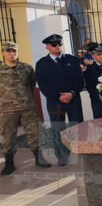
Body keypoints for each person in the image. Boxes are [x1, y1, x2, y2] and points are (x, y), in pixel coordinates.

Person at [0, 42, 51, 176]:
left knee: (35, 132)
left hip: (28, 108)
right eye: (9, 51)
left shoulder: (27, 68)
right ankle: (9, 164)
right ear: (3, 52)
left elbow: (31, 85)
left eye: (14, 51)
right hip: (7, 110)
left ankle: (39, 158)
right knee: (8, 136)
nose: (12, 54)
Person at [36, 34, 84, 166]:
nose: (58, 47)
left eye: (59, 44)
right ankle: (62, 156)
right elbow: (42, 85)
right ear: (47, 47)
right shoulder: (41, 64)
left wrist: (72, 93)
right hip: (54, 102)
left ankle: (82, 151)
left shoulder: (73, 60)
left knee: (78, 126)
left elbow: (80, 80)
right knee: (58, 128)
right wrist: (59, 97)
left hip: (73, 100)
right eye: (54, 45)